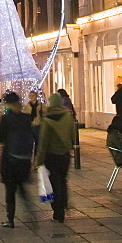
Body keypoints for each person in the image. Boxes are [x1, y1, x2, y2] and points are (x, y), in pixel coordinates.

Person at [0, 92, 35, 228]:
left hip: (10, 160)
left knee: (10, 191)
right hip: (24, 160)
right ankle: (30, 210)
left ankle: (10, 219)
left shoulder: (6, 118)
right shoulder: (26, 118)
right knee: (21, 188)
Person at [35, 93, 74, 223]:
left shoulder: (47, 120)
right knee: (62, 181)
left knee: (54, 183)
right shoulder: (68, 117)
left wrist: (38, 160)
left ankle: (58, 211)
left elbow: (43, 142)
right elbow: (73, 136)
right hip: (65, 155)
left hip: (51, 156)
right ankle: (63, 203)